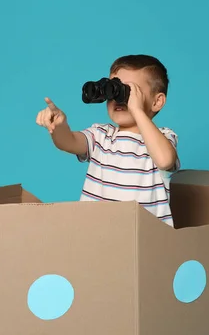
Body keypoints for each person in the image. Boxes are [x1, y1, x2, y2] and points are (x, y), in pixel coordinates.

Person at [35, 54, 180, 227]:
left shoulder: (163, 136)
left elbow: (165, 160)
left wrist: (137, 110)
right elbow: (69, 142)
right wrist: (59, 127)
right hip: (98, 235)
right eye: (113, 90)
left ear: (157, 102)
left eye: (128, 91)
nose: (117, 99)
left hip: (144, 238)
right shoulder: (101, 135)